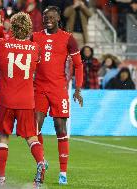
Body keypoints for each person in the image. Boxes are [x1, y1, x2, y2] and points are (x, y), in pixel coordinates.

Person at [0, 13, 46, 188]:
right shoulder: (36, 47)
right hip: (27, 99)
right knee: (31, 137)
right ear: (29, 29)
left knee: (4, 137)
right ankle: (41, 161)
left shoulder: (1, 44)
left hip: (7, 98)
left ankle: (1, 179)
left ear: (12, 28)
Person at [32, 6, 83, 185]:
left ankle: (63, 173)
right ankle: (41, 163)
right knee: (33, 129)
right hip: (38, 88)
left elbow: (78, 64)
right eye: (46, 17)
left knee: (60, 129)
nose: (48, 20)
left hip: (58, 89)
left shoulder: (68, 39)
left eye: (51, 17)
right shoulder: (35, 36)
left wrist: (78, 88)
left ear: (58, 18)